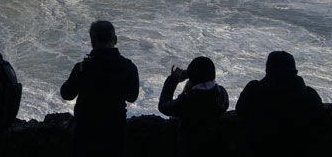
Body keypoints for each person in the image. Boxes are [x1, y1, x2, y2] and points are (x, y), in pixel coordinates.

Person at [60, 20, 139, 157]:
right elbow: (132, 97)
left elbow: (66, 94)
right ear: (115, 39)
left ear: (92, 42)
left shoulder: (83, 68)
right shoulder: (128, 67)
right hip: (115, 132)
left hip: (85, 132)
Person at [236, 51, 324, 157]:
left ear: (268, 69)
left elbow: (240, 110)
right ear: (294, 71)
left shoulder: (254, 89)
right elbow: (320, 121)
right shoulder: (309, 95)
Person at [158, 56, 229, 157]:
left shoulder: (187, 102)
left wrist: (173, 80)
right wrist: (191, 74)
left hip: (189, 149)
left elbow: (163, 106)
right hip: (214, 147)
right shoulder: (221, 94)